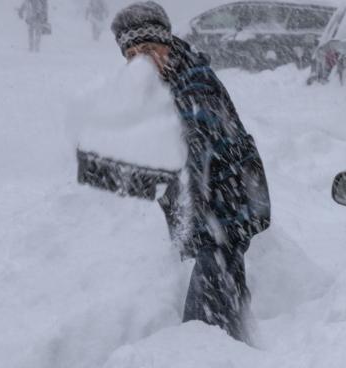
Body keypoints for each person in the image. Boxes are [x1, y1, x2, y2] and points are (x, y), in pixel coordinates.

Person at [110, 1, 270, 344]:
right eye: (132, 54)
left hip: (224, 216)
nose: (142, 61)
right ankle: (243, 349)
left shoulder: (194, 86)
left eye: (149, 49)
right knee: (226, 311)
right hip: (217, 216)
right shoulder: (169, 77)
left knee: (204, 328)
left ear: (166, 45)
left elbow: (192, 156)